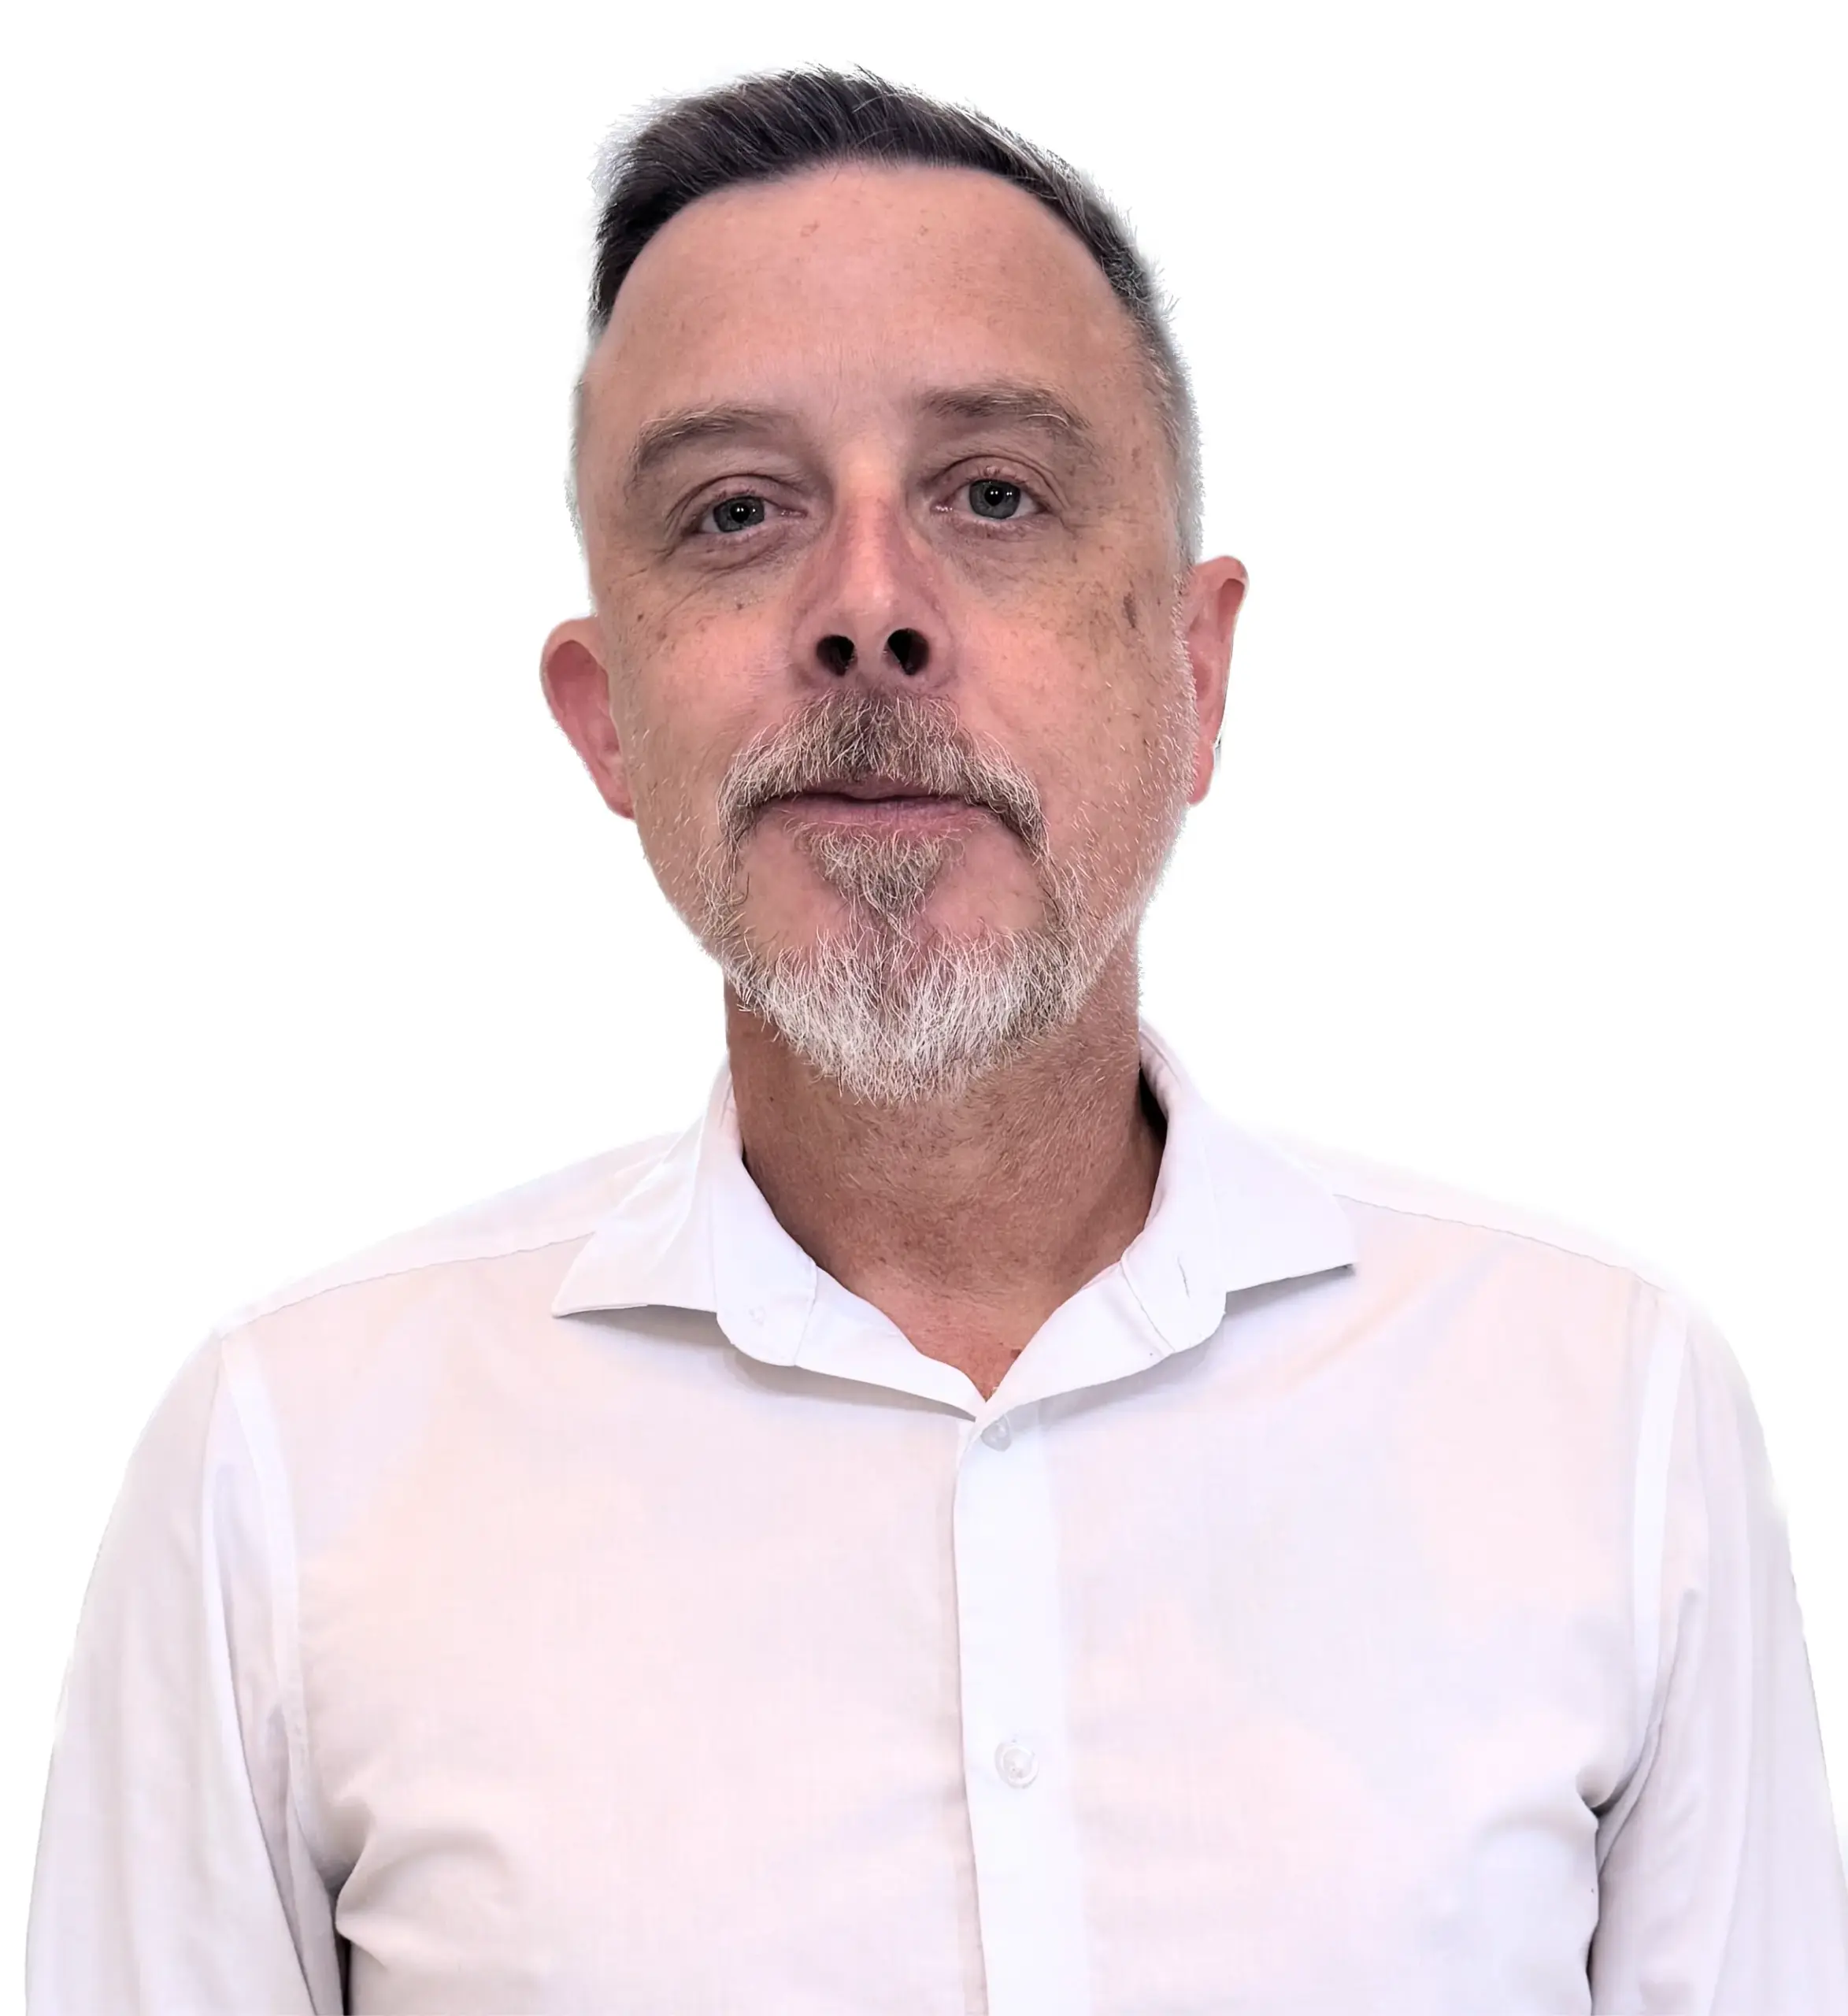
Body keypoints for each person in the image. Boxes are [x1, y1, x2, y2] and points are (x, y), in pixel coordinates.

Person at [26, 65, 1848, 2015]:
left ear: (1196, 669)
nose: (869, 613)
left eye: (996, 493)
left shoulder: (1607, 1418)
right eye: (738, 511)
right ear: (607, 714)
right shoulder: (286, 1472)